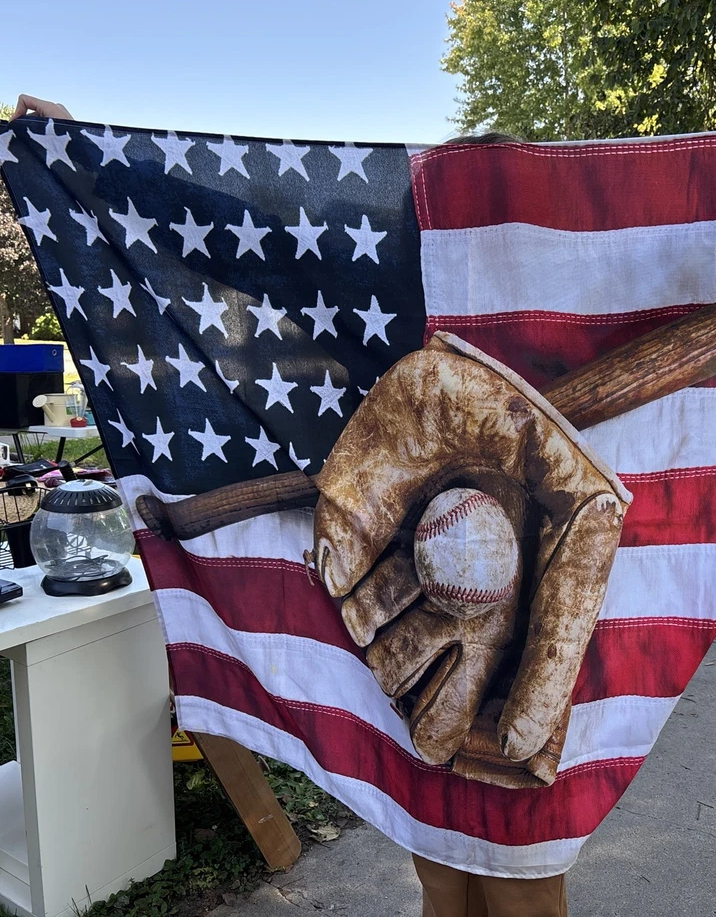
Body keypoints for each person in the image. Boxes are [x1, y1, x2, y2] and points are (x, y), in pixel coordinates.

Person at [10, 93, 570, 917]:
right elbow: (259, 243)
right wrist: (86, 161)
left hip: (536, 620)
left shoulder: (567, 291)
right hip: (420, 600)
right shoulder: (400, 280)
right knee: (441, 865)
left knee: (521, 870)